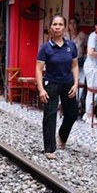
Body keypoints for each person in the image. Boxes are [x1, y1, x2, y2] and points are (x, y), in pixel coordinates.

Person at [36, 15, 79, 160]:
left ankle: (62, 135)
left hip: (68, 83)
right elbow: (38, 69)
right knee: (50, 115)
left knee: (72, 114)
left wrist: (75, 83)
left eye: (60, 24)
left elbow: (74, 65)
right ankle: (50, 148)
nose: (57, 27)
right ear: (50, 27)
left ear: (65, 27)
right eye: (55, 24)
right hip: (51, 83)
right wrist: (41, 89)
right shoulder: (45, 48)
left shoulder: (71, 46)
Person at [65, 17, 88, 112]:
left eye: (74, 23)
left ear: (77, 24)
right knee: (68, 82)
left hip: (80, 62)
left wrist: (86, 55)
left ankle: (77, 103)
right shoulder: (65, 36)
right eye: (70, 23)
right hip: (68, 63)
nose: (72, 25)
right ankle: (66, 103)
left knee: (80, 82)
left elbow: (88, 46)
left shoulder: (82, 35)